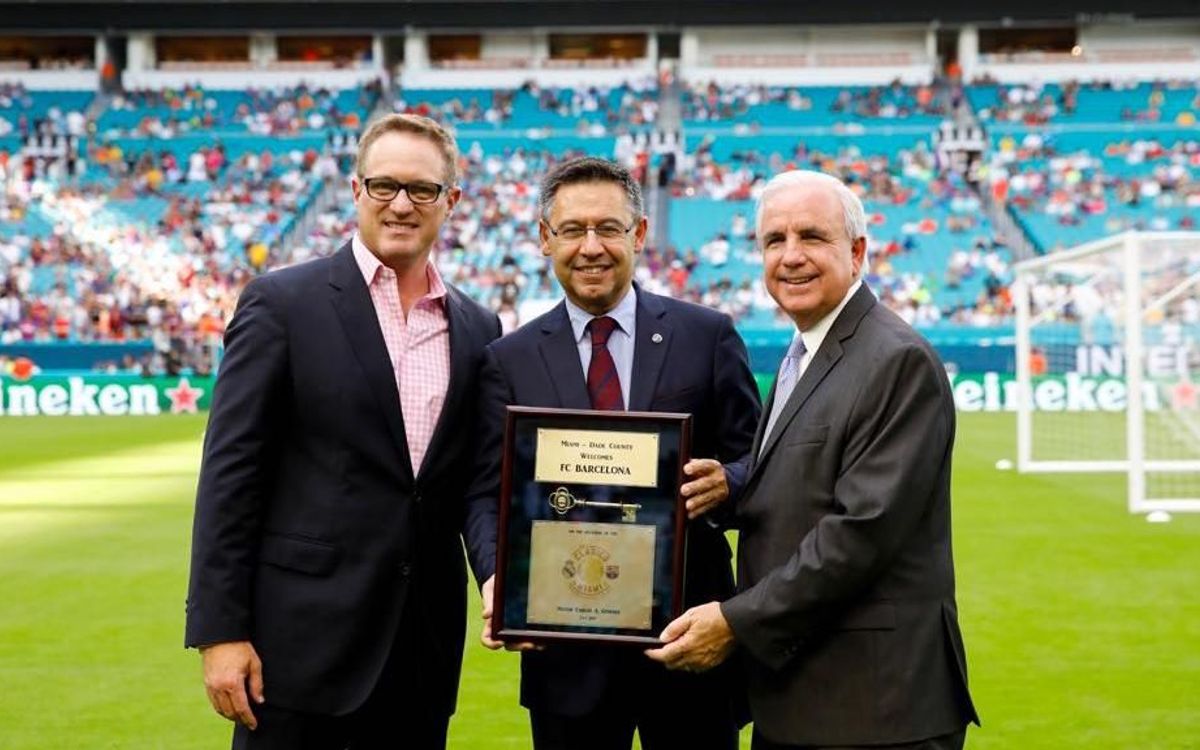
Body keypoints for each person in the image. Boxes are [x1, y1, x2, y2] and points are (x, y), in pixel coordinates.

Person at [185, 113, 502, 749]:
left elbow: (477, 482)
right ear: (356, 191)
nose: (402, 204)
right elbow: (230, 475)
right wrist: (220, 632)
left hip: (421, 655)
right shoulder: (281, 304)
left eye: (423, 189)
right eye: (384, 185)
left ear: (453, 201)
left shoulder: (479, 327)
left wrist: (500, 576)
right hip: (296, 653)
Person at [646, 170, 980, 749]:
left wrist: (734, 622)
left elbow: (861, 533)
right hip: (805, 694)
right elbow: (803, 484)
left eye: (811, 237)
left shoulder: (894, 359)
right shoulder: (805, 352)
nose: (790, 256)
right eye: (774, 240)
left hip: (874, 706)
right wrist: (732, 487)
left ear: (856, 252)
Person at [464, 156, 761, 750]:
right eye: (572, 230)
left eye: (609, 228)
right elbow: (483, 492)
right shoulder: (509, 359)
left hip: (687, 645)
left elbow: (762, 461)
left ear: (640, 235)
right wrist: (496, 574)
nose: (591, 247)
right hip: (564, 658)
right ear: (546, 240)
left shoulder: (706, 336)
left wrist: (727, 481)